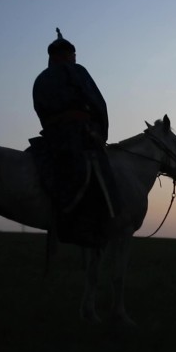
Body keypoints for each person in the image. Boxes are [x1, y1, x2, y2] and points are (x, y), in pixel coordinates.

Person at [32, 28, 116, 246]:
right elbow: (98, 102)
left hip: (50, 135)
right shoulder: (76, 71)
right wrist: (101, 133)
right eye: (73, 55)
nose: (75, 58)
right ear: (68, 55)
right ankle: (97, 225)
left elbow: (40, 110)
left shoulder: (40, 78)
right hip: (77, 133)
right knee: (102, 172)